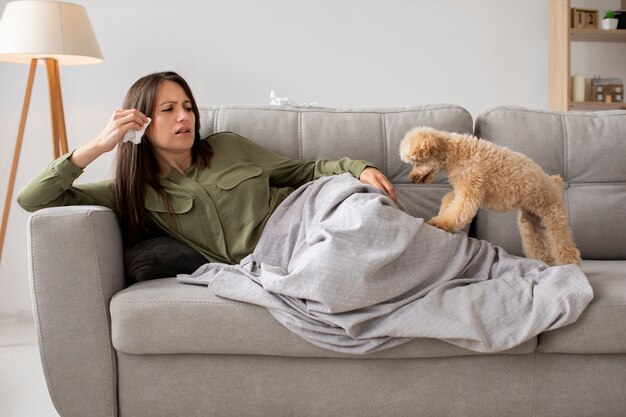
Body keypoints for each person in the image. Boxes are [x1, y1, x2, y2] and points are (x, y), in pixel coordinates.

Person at [17, 71, 397, 270]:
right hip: (279, 256)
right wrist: (98, 145)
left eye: (188, 106)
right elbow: (33, 199)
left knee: (366, 216)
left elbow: (304, 172)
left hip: (311, 214)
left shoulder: (227, 146)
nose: (185, 116)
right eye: (168, 110)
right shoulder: (133, 192)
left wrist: (356, 168)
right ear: (141, 123)